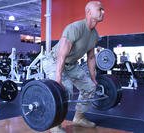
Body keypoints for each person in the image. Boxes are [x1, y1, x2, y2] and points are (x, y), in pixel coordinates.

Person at [42, 1, 105, 132]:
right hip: (53, 61)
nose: (103, 12)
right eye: (100, 9)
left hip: (71, 64)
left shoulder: (94, 35)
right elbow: (61, 55)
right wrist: (58, 79)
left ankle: (79, 117)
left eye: (103, 9)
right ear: (88, 12)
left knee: (90, 87)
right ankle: (54, 124)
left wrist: (93, 78)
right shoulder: (75, 28)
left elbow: (91, 57)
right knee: (65, 90)